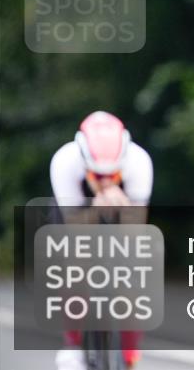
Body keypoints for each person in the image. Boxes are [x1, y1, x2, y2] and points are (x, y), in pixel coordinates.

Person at [50, 111, 154, 370]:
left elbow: (135, 230)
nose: (106, 181)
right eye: (98, 176)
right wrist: (96, 208)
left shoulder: (139, 162)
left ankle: (130, 354)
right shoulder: (66, 161)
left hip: (124, 211)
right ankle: (73, 345)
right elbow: (73, 228)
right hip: (75, 214)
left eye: (113, 175)